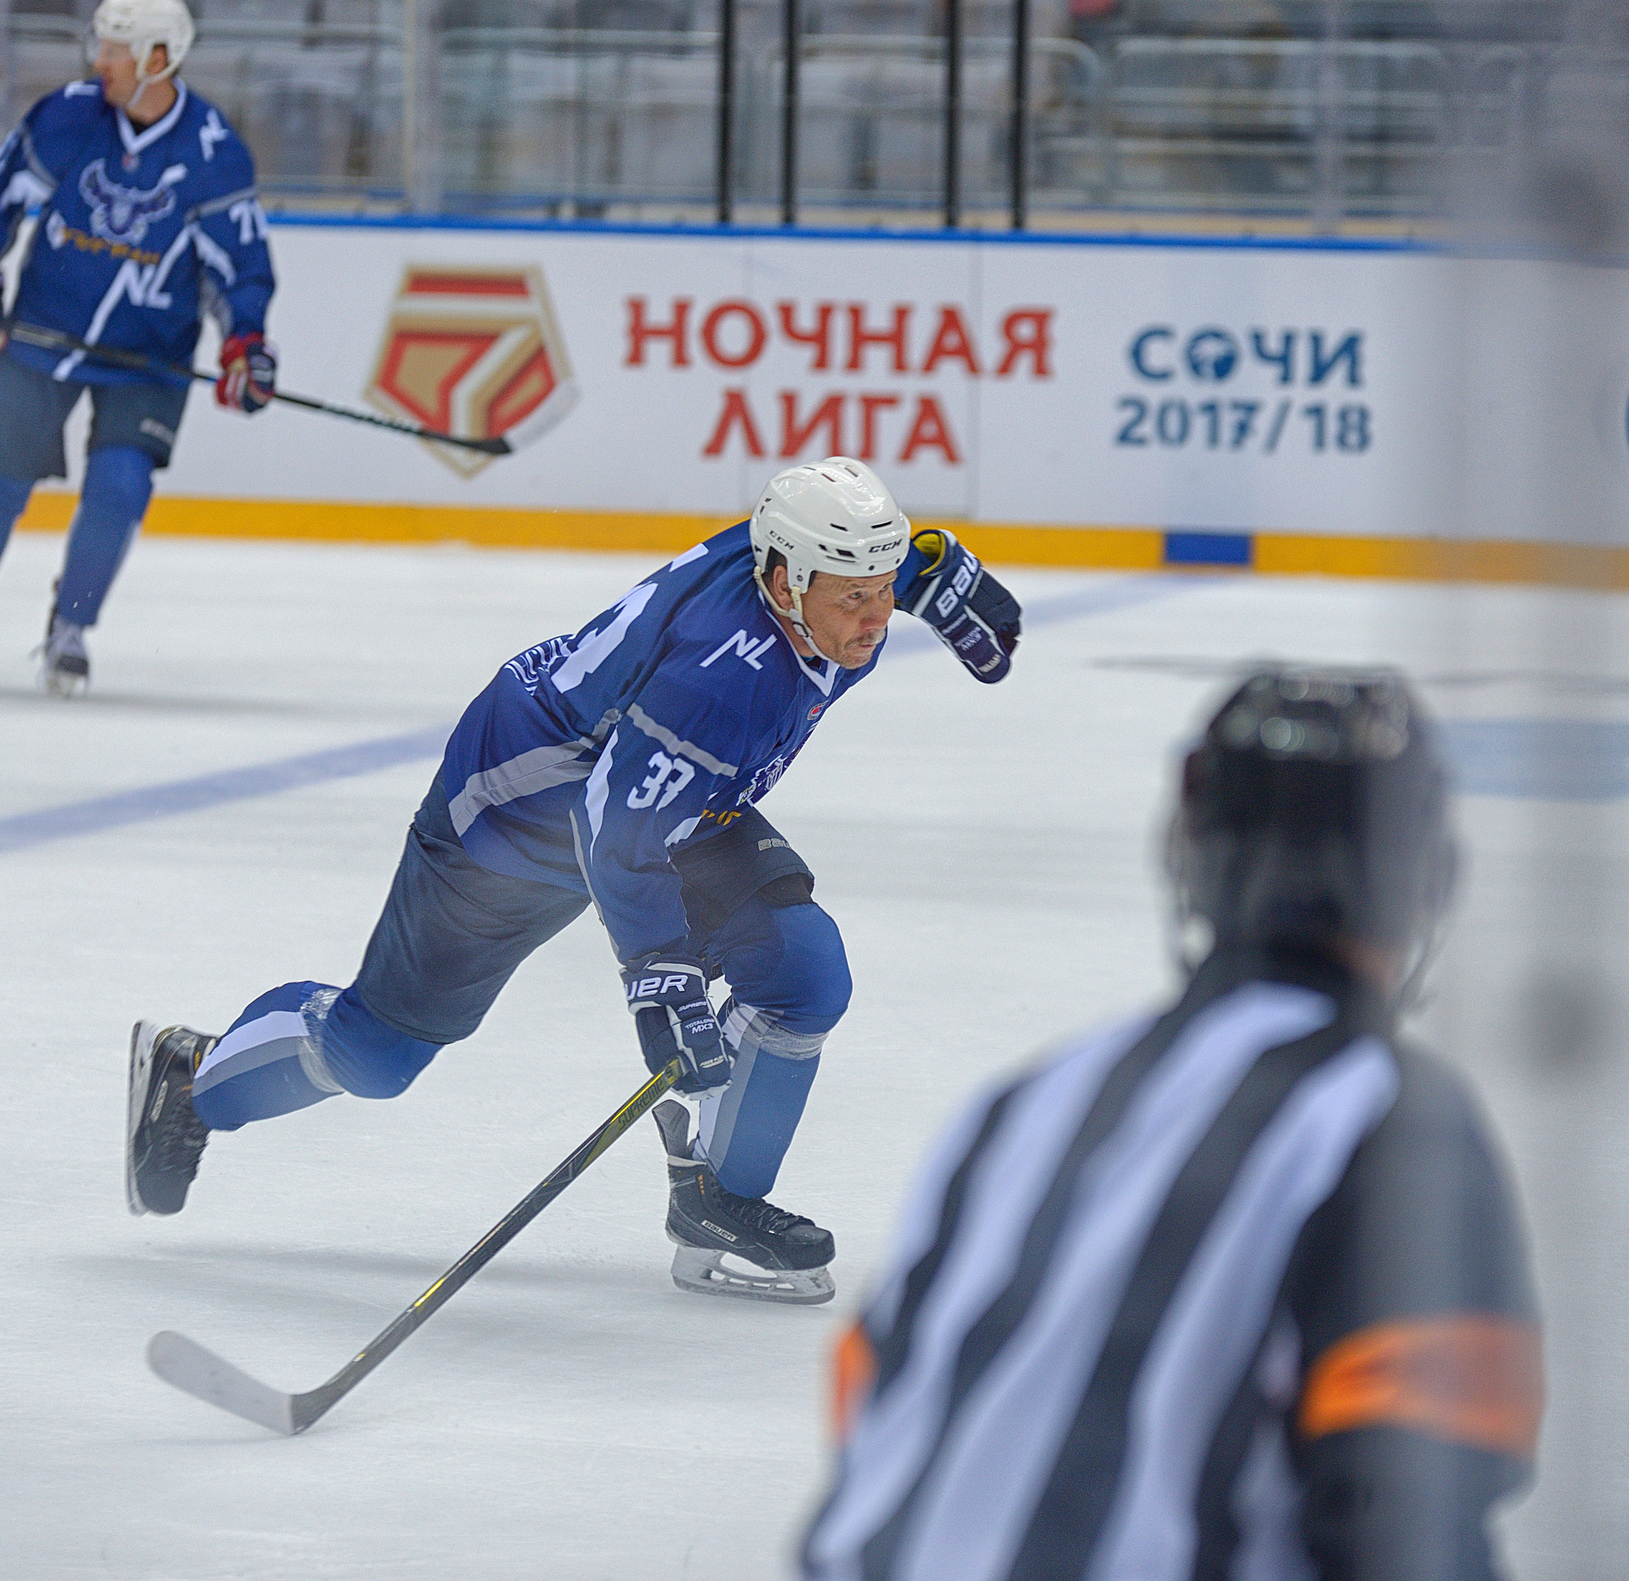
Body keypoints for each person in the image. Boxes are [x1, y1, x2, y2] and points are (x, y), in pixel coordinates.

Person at [126, 458, 1026, 1303]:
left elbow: (864, 567)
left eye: (883, 589)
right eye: (856, 598)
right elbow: (613, 829)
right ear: (789, 584)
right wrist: (660, 977)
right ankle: (194, 1072)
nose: (874, 618)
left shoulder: (801, 568)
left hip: (654, 793)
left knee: (803, 974)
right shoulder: (723, 679)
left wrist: (936, 575)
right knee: (377, 1054)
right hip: (515, 816)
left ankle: (717, 1199)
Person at [801, 667, 1542, 1581]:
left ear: (1193, 854)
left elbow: (875, 1399)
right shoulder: (1395, 1122)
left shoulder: (1026, 1102)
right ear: (1421, 880)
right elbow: (1406, 1511)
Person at [0, 0, 276, 696]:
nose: (100, 61)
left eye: (115, 48)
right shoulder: (68, 116)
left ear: (158, 56)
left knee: (121, 486)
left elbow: (239, 266)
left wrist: (245, 341)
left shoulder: (213, 153)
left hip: (149, 357)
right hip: (42, 334)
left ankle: (70, 629)